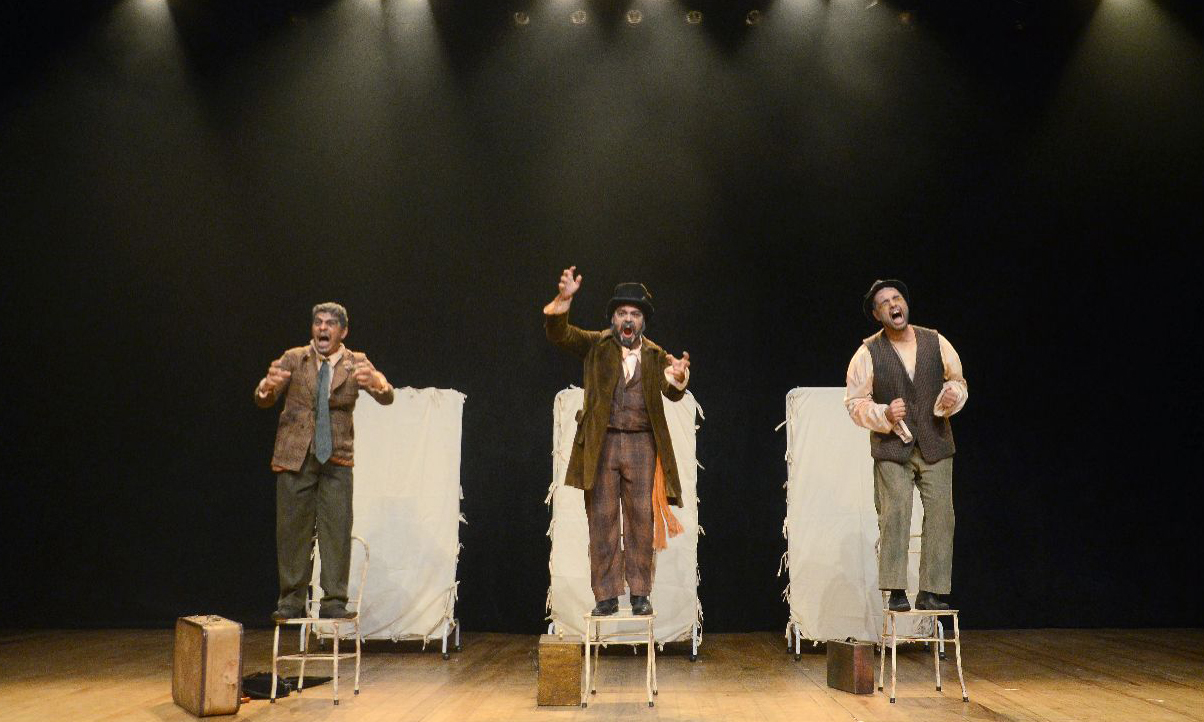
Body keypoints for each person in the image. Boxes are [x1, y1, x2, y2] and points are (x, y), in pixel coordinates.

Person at [544, 267, 691, 616]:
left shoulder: (655, 354)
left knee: (641, 519)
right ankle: (606, 595)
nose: (628, 319)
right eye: (622, 313)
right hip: (602, 444)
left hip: (642, 445)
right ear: (613, 318)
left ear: (643, 322)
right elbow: (560, 334)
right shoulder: (597, 345)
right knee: (602, 519)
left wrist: (679, 376)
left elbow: (670, 390)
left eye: (635, 314)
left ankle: (640, 594)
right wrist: (563, 300)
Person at [255, 302, 394, 621]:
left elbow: (386, 396)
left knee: (337, 529)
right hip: (295, 455)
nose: (322, 328)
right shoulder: (294, 358)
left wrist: (378, 382)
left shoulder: (356, 362)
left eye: (330, 323)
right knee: (292, 529)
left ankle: (333, 599)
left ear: (343, 331)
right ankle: (291, 599)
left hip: (336, 456)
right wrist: (266, 387)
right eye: (318, 322)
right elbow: (265, 398)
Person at [844, 280, 968, 612]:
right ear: (877, 314)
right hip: (892, 446)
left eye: (896, 298)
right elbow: (855, 403)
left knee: (942, 515)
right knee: (895, 512)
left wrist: (953, 396)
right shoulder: (868, 352)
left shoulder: (935, 341)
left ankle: (931, 591)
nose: (893, 305)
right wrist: (884, 413)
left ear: (905, 304)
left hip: (935, 441)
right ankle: (896, 589)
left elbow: (958, 381)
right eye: (884, 303)